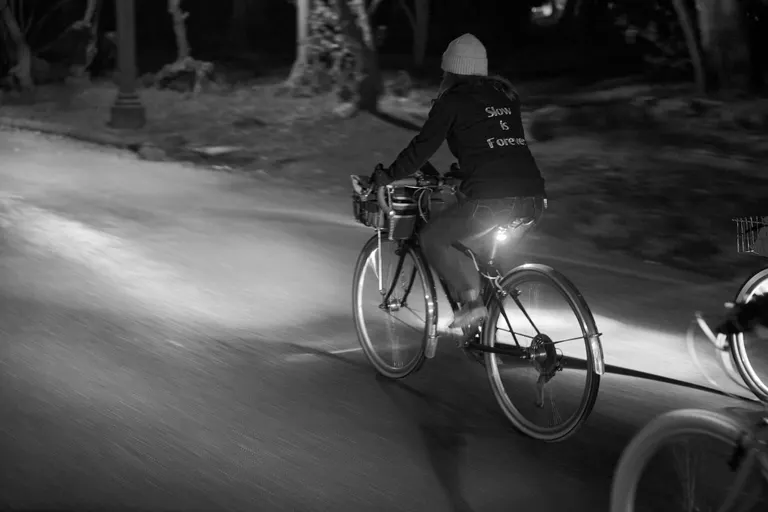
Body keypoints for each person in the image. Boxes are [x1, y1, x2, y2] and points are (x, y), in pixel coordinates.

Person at [370, 33, 547, 329]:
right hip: (533, 198)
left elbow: (422, 147)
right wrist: (462, 175)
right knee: (485, 254)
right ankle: (488, 334)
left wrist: (387, 176)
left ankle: (471, 303)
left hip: (492, 201)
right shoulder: (505, 96)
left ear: (450, 70)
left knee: (433, 239)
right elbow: (496, 146)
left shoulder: (451, 101)